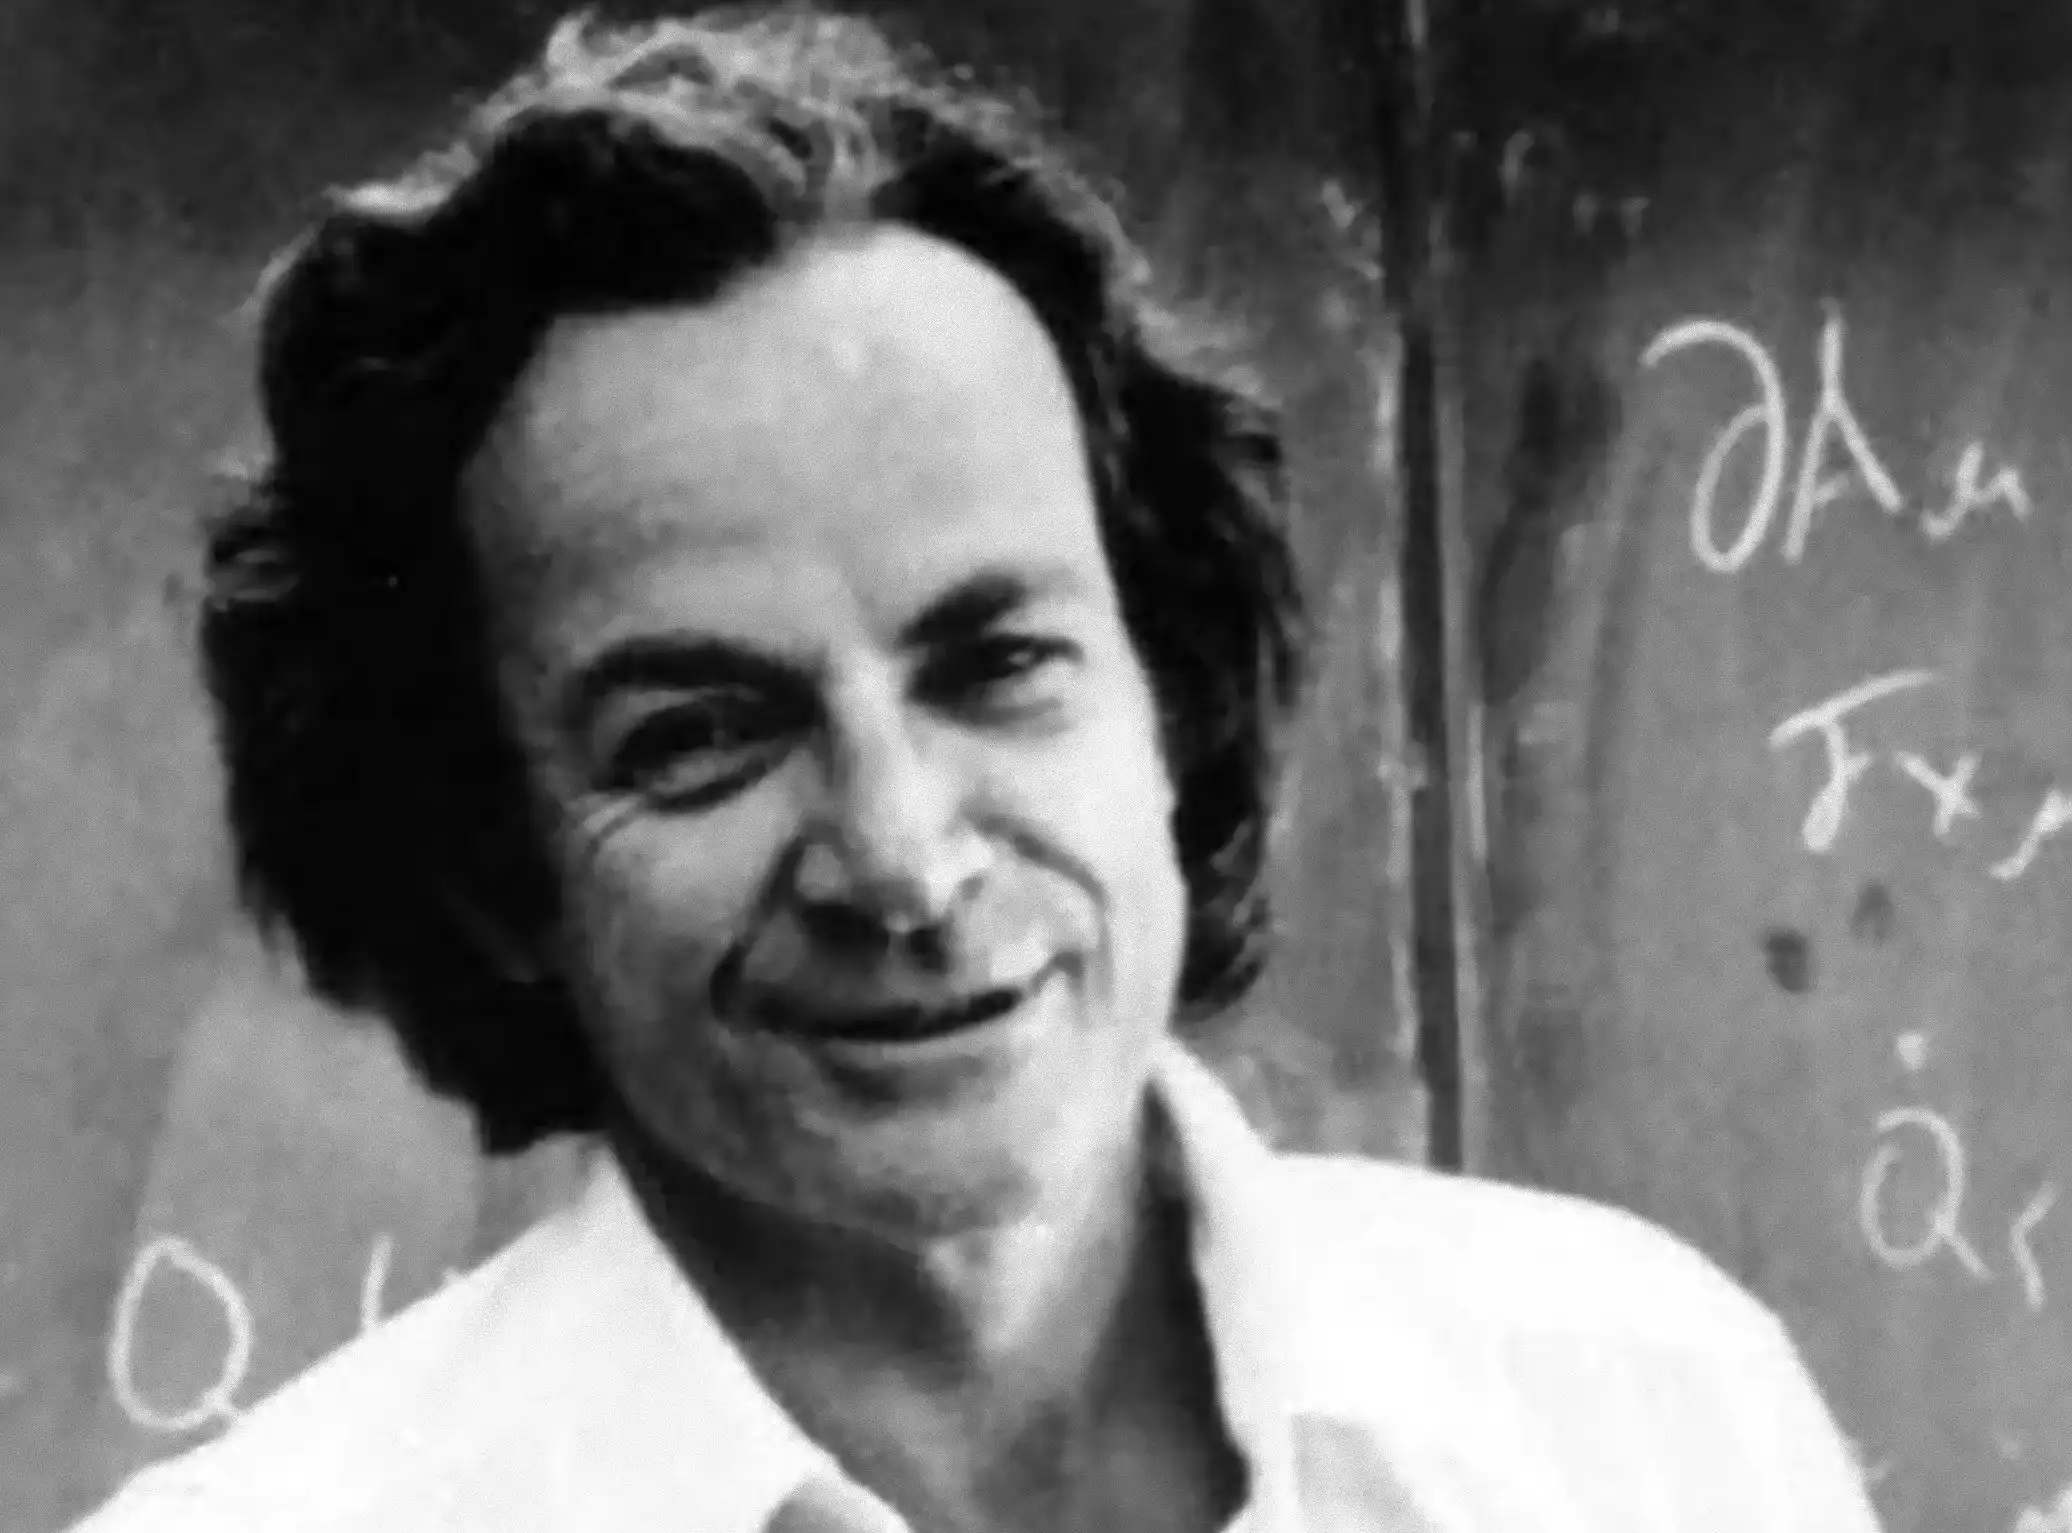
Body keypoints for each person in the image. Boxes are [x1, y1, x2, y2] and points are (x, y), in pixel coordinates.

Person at [75, 7, 1884, 1531]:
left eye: (1000, 665)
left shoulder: (1650, 1422)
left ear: (1169, 698)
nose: (903, 856)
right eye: (698, 737)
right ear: (488, 865)